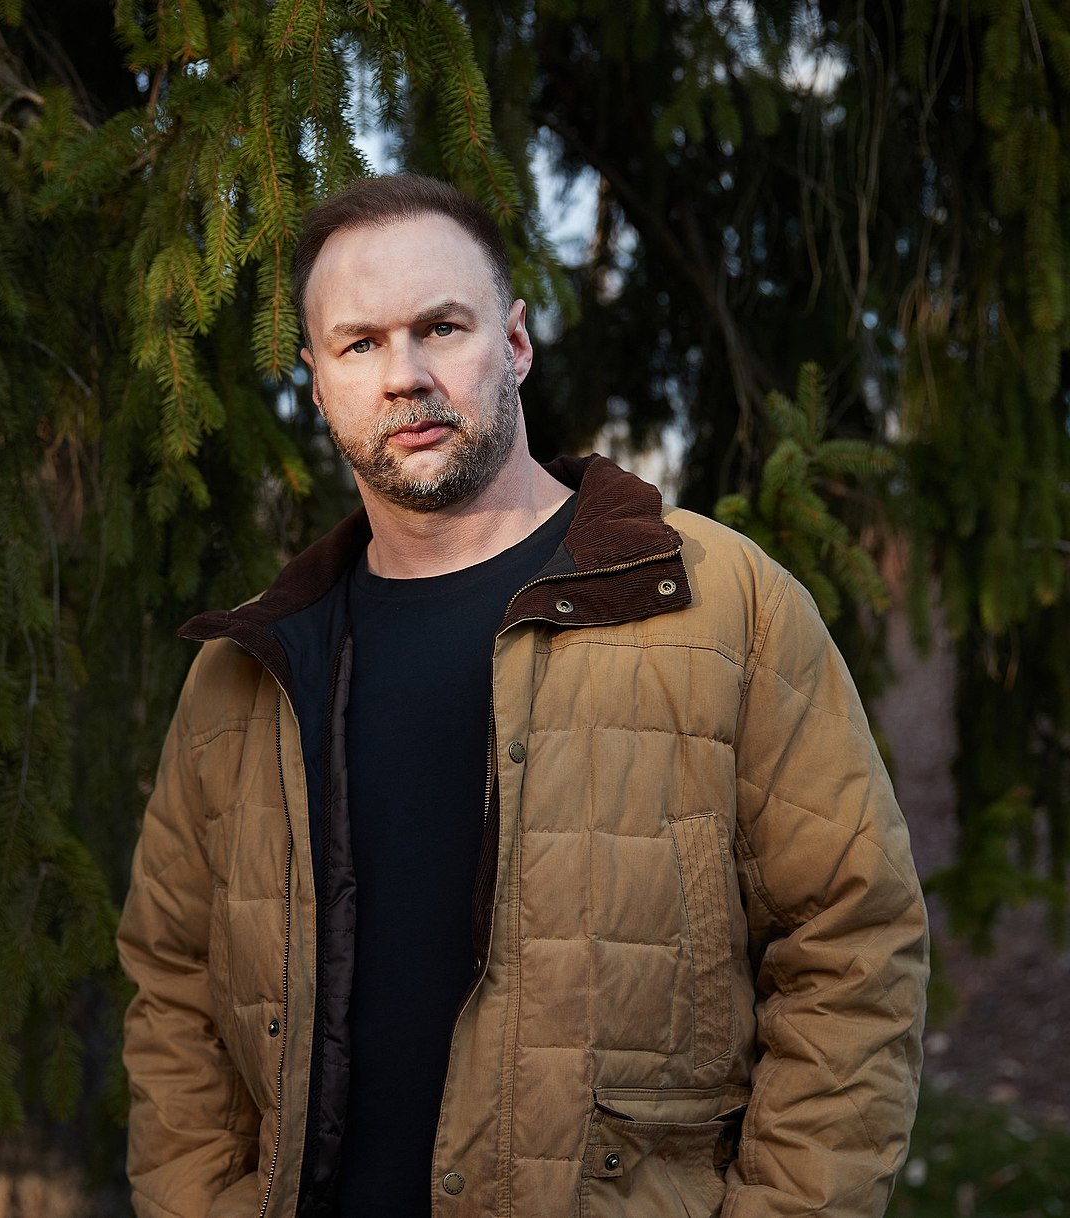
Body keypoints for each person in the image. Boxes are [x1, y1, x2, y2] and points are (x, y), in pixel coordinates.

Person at [117, 174, 928, 1218]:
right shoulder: (248, 667)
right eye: (359, 343)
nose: (404, 376)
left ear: (515, 342)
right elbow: (173, 985)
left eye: (441, 327)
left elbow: (851, 947)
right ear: (316, 380)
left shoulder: (721, 607)